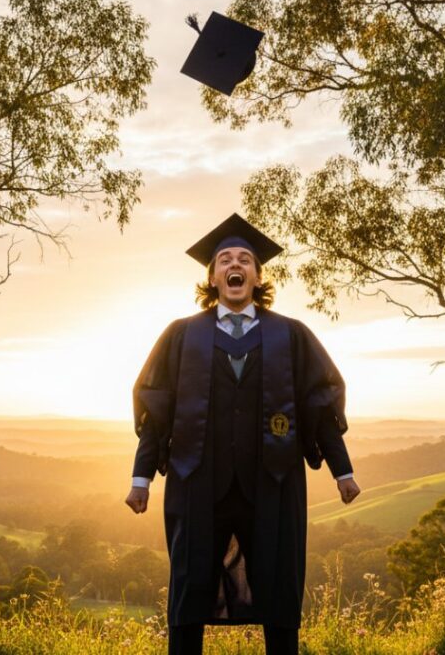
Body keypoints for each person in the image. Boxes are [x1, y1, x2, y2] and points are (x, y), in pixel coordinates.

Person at [125, 213, 360, 655]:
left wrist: (342, 470)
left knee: (278, 584)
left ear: (256, 276)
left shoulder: (289, 334)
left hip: (272, 483)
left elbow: (318, 407)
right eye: (225, 260)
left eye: (246, 260)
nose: (236, 265)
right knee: (190, 587)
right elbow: (158, 412)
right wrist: (141, 479)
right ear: (213, 277)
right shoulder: (181, 336)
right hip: (197, 483)